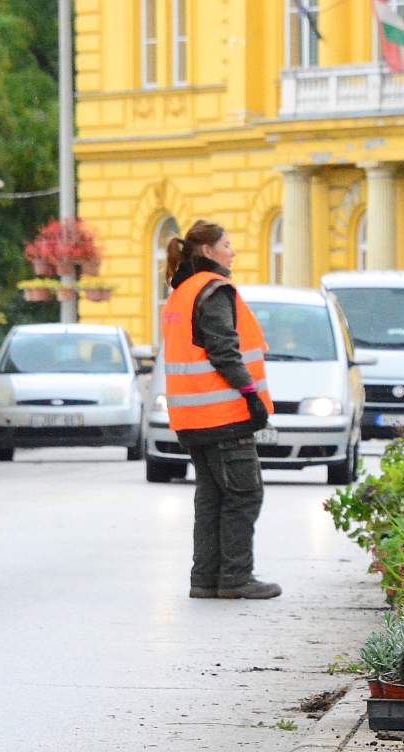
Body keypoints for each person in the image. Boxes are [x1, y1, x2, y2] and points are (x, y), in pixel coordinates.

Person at [160, 220, 280, 599]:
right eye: (227, 245)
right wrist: (252, 396)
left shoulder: (181, 292)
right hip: (222, 415)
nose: (232, 252)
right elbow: (224, 351)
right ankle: (235, 578)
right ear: (208, 252)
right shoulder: (213, 291)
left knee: (211, 498)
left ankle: (205, 579)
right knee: (245, 494)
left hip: (191, 417)